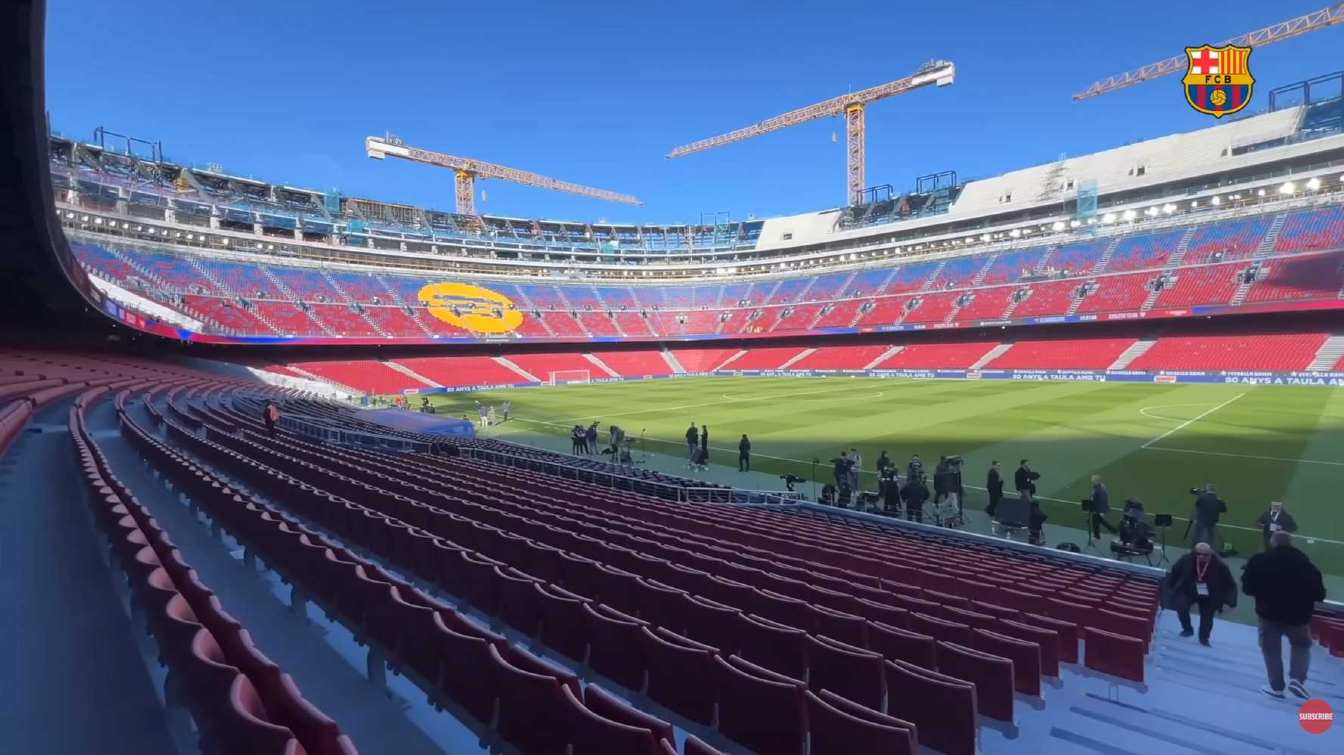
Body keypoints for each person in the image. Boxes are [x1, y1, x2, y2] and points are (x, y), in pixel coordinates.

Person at [1242, 531, 1327, 700]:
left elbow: (1247, 588)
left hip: (1268, 615)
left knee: (1270, 649)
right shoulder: (1307, 565)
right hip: (1298, 617)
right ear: (1291, 543)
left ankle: (1276, 687)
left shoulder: (1259, 561)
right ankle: (1297, 680)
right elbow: (1319, 594)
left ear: (1273, 543)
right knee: (1301, 645)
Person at [1165, 542, 1236, 646]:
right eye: (1198, 554)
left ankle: (1204, 639)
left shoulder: (1220, 566)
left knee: (1207, 618)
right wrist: (1170, 587)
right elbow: (1175, 571)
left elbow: (1230, 584)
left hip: (1210, 594)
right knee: (1181, 605)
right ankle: (1187, 629)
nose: (1201, 556)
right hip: (1189, 590)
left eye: (1205, 555)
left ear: (1211, 554)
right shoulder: (1186, 560)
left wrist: (1229, 602)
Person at [1190, 483, 1227, 548]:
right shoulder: (1219, 500)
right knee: (1211, 536)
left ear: (1207, 489)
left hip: (1202, 519)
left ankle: (1195, 547)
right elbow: (1223, 510)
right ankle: (1210, 548)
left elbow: (1193, 492)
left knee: (1198, 534)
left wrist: (1201, 492)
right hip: (1212, 520)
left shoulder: (1202, 497)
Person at [1090, 474, 1117, 540]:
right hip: (1098, 508)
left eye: (1092, 478)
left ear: (1096, 480)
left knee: (1095, 522)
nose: (1091, 479)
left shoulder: (1099, 489)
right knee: (1100, 521)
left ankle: (1097, 537)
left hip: (1098, 509)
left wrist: (1101, 511)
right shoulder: (1098, 487)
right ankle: (1113, 530)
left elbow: (1102, 500)